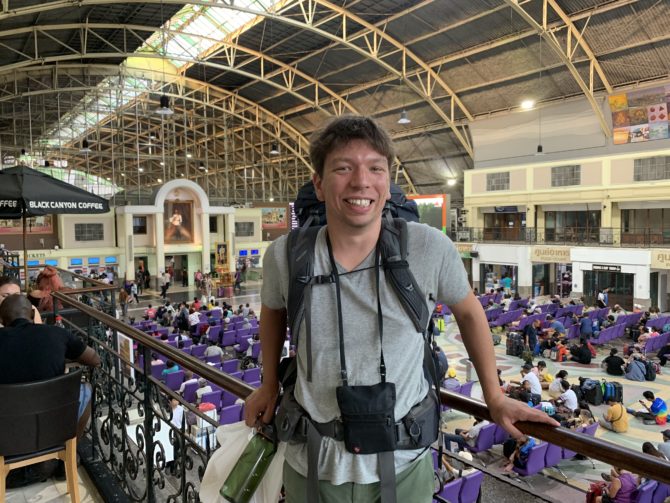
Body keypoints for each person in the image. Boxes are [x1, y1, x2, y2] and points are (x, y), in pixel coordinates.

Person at [242, 116, 556, 502]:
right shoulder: (286, 255)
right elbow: (273, 310)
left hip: (405, 461)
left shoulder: (429, 247)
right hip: (312, 460)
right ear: (320, 184)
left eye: (376, 168)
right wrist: (269, 383)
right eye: (343, 168)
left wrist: (494, 395)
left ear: (387, 183)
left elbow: (471, 312)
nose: (361, 181)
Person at [0, 294, 100, 439]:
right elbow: (95, 359)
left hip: (8, 435)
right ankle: (68, 450)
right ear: (33, 314)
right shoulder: (56, 333)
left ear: (2, 320)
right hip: (51, 426)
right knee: (86, 389)